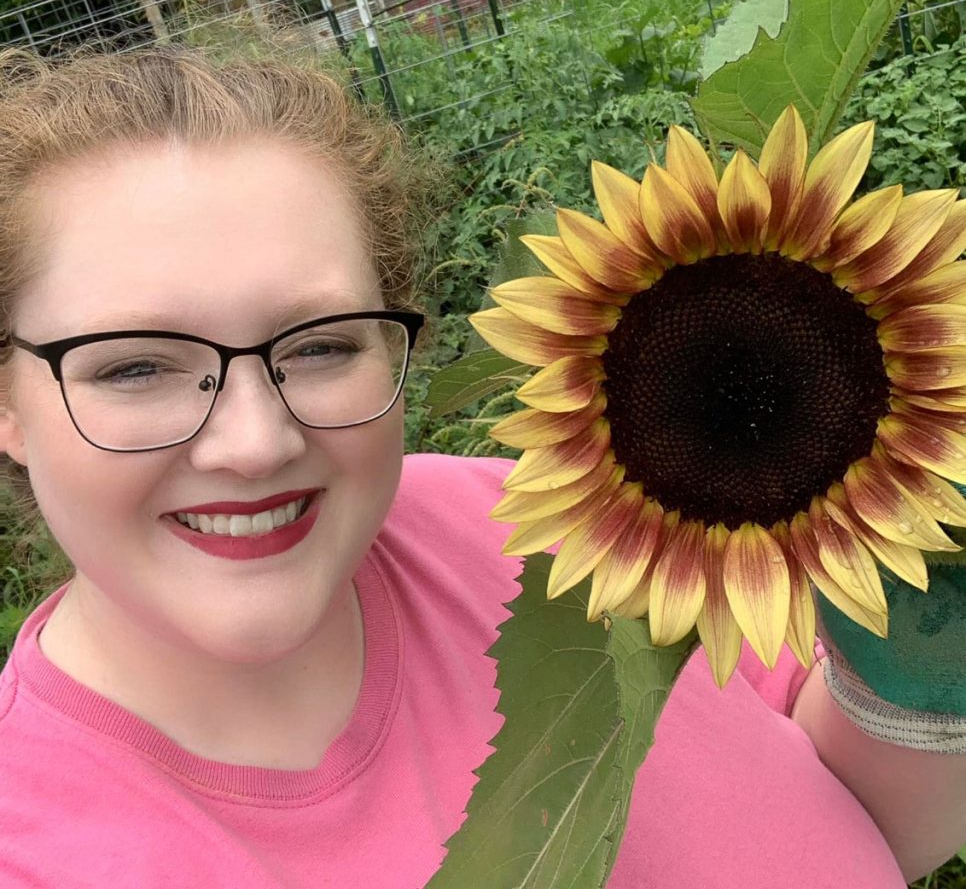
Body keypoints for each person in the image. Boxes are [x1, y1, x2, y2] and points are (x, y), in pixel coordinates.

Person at [0, 46, 961, 889]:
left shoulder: (527, 517)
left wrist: (925, 670)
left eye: (322, 346)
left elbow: (851, 817)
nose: (256, 442)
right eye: (133, 367)